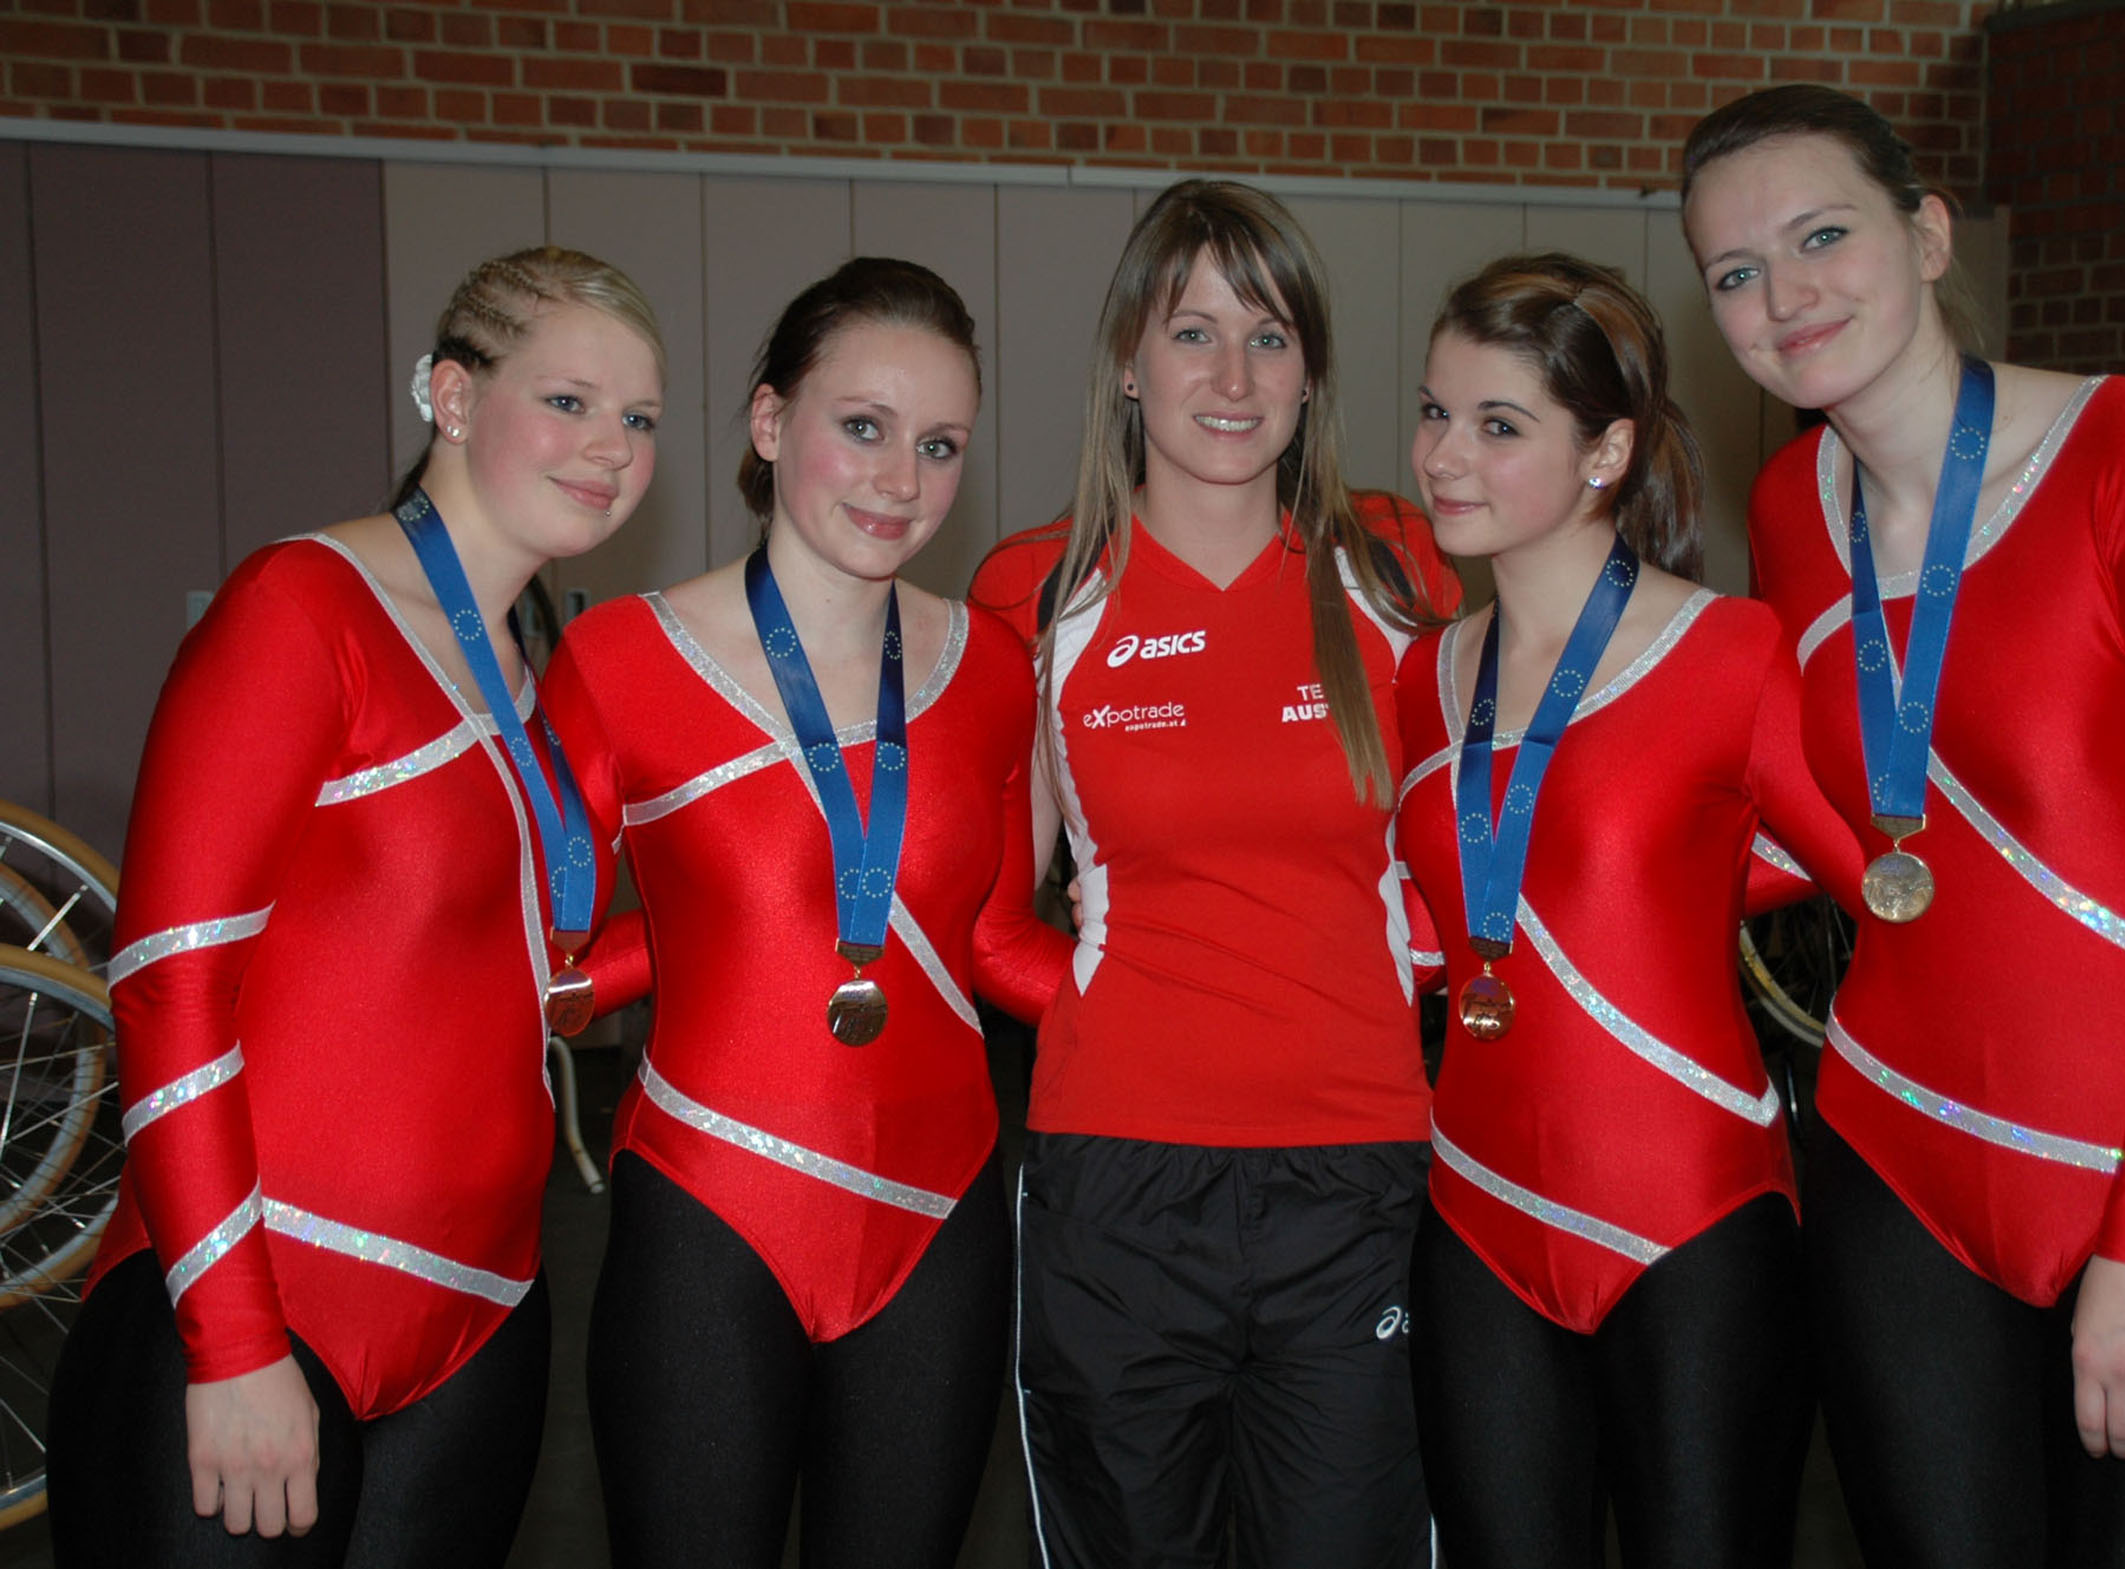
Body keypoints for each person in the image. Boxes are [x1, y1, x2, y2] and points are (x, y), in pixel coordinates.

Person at [1681, 84, 2125, 1567]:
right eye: (1734, 271)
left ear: (1926, 234)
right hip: (1896, 1170)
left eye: (1822, 237)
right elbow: (1848, 832)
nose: (1783, 298)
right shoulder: (1787, 509)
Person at [48, 246, 665, 1565]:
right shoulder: (302, 608)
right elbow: (167, 985)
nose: (611, 447)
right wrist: (233, 1339)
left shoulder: (527, 683)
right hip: (261, 1299)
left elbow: (519, 981)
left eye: (640, 417)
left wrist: (724, 932)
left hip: (484, 1324)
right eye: (568, 401)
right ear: (452, 396)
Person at [968, 178, 1460, 1567]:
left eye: (1269, 336)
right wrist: (1108, 1006)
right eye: (1193, 332)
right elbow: (988, 916)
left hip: (1361, 1178)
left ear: (1311, 371)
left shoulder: (1397, 570)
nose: (1233, 377)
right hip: (1115, 1183)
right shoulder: (1035, 589)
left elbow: (1468, 857)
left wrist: (1380, 976)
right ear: (1129, 362)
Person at [542, 257, 1036, 1569]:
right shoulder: (620, 661)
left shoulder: (994, 670)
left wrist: (1207, 981)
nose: (900, 480)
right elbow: (546, 946)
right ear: (770, 422)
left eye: (939, 445)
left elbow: (995, 944)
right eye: (863, 426)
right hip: (709, 1215)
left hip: (940, 1219)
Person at [1396, 252, 1865, 1569]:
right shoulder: (1422, 677)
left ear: (1606, 452)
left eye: (1498, 426)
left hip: (1693, 1231)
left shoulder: (1731, 653)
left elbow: (1889, 875)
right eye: (1434, 412)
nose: (1445, 456)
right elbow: (1445, 917)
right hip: (1475, 1219)